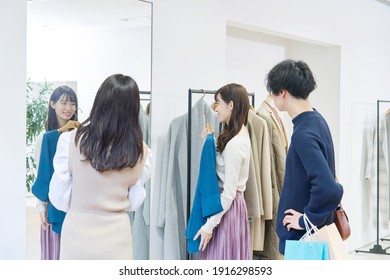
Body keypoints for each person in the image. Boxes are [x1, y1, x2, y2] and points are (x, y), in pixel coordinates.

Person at [49, 74, 152, 259]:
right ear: (134, 107)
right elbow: (135, 201)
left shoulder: (70, 140)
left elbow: (58, 197)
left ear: (100, 101)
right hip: (116, 235)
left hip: (77, 232)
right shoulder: (141, 151)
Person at [265, 59, 344, 256]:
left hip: (304, 239)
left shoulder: (303, 133)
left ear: (282, 92)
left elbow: (329, 188)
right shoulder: (317, 120)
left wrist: (304, 219)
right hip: (312, 235)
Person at [194, 83, 252, 260]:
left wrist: (209, 226)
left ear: (231, 105)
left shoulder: (235, 144)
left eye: (218, 103)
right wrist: (209, 142)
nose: (216, 108)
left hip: (226, 210)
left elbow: (229, 194)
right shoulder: (238, 136)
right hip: (229, 209)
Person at [32, 85, 78, 260]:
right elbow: (41, 174)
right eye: (64, 103)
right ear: (52, 104)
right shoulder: (44, 138)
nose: (69, 108)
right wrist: (41, 208)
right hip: (54, 205)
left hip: (77, 204)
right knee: (55, 253)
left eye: (73, 104)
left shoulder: (80, 136)